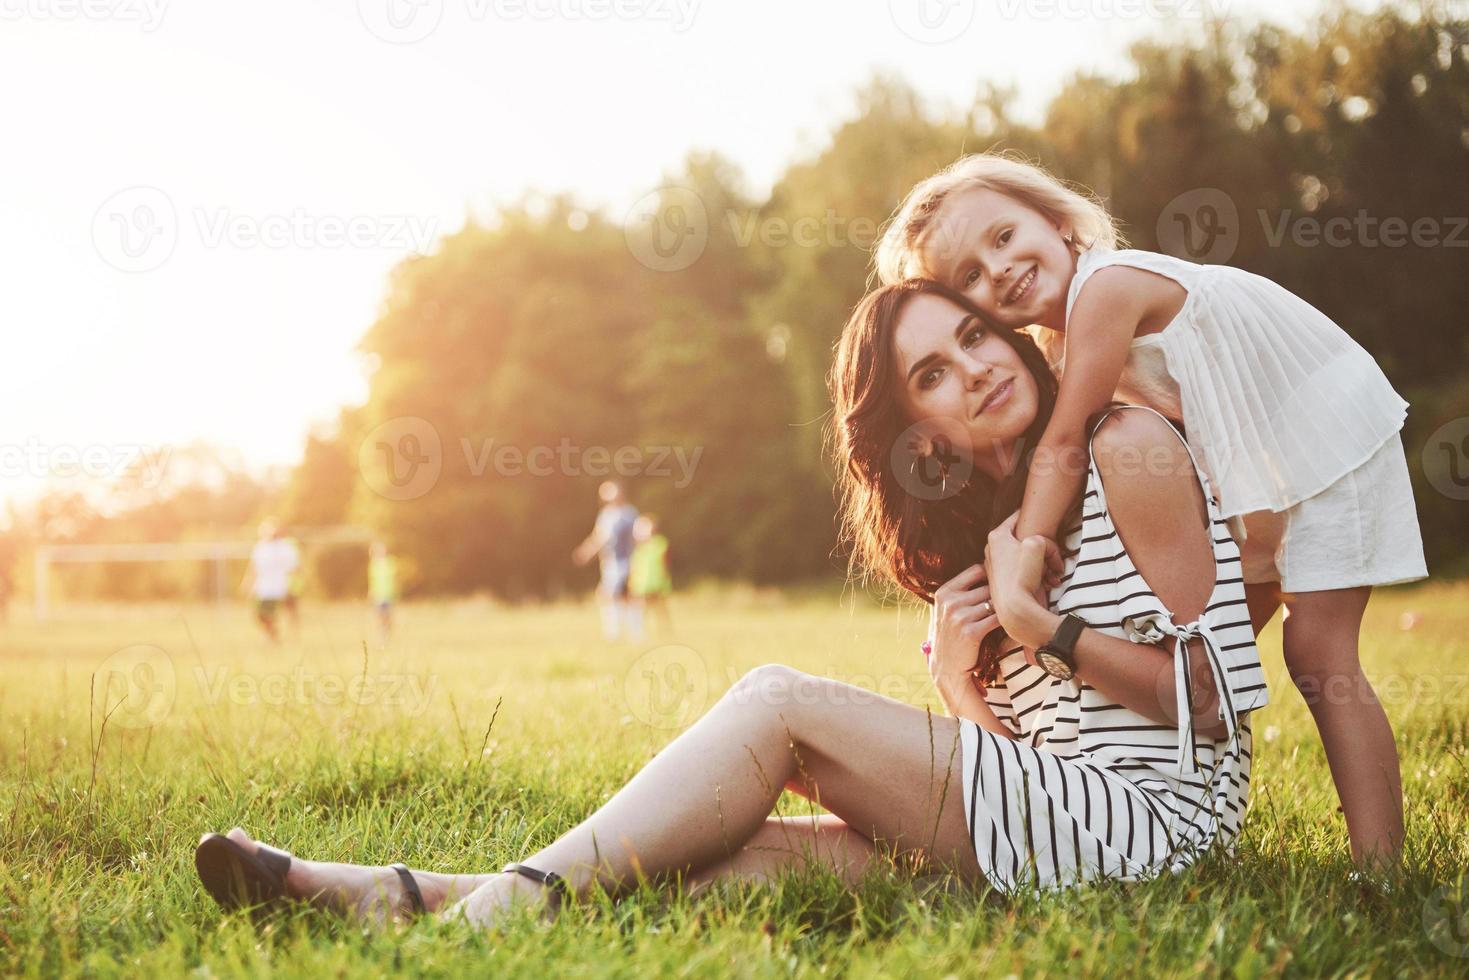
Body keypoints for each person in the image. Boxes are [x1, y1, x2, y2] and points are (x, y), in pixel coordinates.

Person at [194, 281, 1267, 928]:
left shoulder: (1126, 447)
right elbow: (1025, 776)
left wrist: (1045, 631)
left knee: (775, 699)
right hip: (1073, 834)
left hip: (1160, 833)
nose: (973, 370)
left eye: (975, 337)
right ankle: (389, 895)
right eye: (931, 374)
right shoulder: (997, 538)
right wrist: (958, 680)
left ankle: (489, 912)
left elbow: (1211, 703)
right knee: (726, 861)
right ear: (921, 431)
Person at [876, 152, 1425, 871]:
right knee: (1209, 644)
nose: (997, 268)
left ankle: (1381, 871)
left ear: (1053, 218)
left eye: (1003, 236)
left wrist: (1026, 551)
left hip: (1318, 439)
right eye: (970, 276)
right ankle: (1148, 772)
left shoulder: (1105, 289)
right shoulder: (1058, 339)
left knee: (1316, 652)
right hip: (1258, 471)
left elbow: (1067, 439)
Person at [571, 481, 639, 641]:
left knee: (609, 595)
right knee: (621, 597)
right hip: (611, 561)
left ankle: (615, 632)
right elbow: (598, 537)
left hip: (624, 561)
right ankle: (629, 632)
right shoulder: (608, 515)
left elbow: (604, 538)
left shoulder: (627, 514)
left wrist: (587, 552)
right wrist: (586, 551)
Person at [240, 519, 299, 644]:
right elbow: (253, 568)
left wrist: (293, 585)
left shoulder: (285, 547)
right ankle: (273, 635)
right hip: (263, 588)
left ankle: (276, 637)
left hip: (278, 587)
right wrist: (247, 583)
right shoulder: (260, 547)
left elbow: (294, 568)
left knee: (271, 614)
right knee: (259, 615)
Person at [628, 514, 673, 641]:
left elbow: (665, 563)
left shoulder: (660, 544)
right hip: (641, 585)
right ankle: (638, 634)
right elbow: (634, 567)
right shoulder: (637, 549)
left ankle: (665, 633)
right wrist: (632, 582)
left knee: (660, 609)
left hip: (657, 582)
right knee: (641, 610)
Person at [368, 540, 399, 640]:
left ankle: (389, 636)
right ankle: (382, 637)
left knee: (389, 618)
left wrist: (396, 592)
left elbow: (395, 579)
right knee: (379, 618)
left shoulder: (391, 562)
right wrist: (371, 593)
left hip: (389, 595)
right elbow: (372, 581)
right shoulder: (373, 565)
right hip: (378, 595)